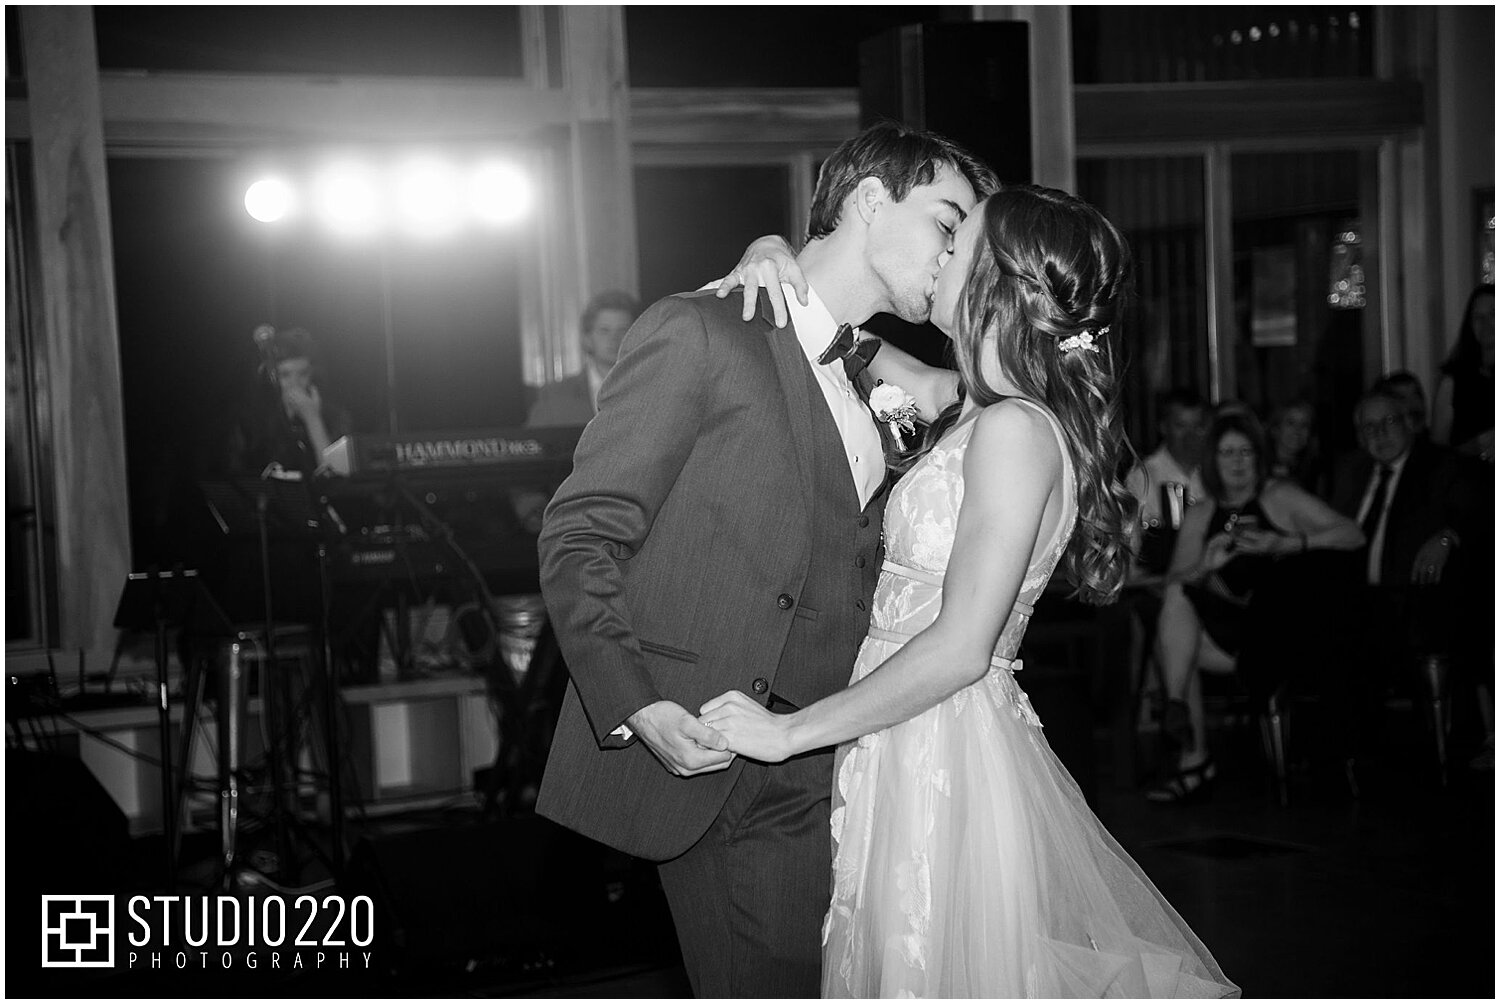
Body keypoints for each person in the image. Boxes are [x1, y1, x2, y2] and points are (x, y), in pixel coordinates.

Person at [697, 187, 1238, 997]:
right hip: (899, 730)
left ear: (1001, 281)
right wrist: (777, 255)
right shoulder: (973, 407)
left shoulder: (1016, 431)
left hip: (937, 744)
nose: (942, 255)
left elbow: (959, 647)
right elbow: (859, 346)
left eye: (961, 243)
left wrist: (787, 735)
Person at [534, 123, 997, 998]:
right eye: (946, 221)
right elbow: (580, 534)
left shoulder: (871, 368)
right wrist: (637, 704)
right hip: (723, 758)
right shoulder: (699, 331)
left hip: (850, 759)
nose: (952, 252)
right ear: (868, 199)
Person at [1148, 410, 1363, 802]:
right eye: (1227, 453)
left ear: (1259, 456)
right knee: (1179, 607)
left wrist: (1288, 544)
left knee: (1176, 648)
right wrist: (1206, 566)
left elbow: (1352, 534)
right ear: (1212, 460)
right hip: (1226, 632)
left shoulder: (1278, 496)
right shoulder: (1201, 513)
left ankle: (1189, 751)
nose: (1237, 462)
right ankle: (1180, 719)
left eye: (1245, 452)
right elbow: (1174, 583)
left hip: (1282, 631)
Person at [227, 326, 349, 478]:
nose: (295, 384)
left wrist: (313, 420)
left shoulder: (334, 418)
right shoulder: (251, 424)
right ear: (270, 379)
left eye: (303, 374)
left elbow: (339, 481)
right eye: (285, 375)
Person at [526, 290, 641, 428]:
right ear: (587, 338)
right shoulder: (554, 396)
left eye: (623, 330)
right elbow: (535, 446)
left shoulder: (653, 389)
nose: (614, 339)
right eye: (604, 331)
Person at [1432, 283, 1495, 461]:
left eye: (1493, 314)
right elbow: (1438, 450)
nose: (1486, 324)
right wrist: (1477, 446)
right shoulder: (1453, 381)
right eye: (1478, 317)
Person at [1266, 399, 1324, 494]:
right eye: (1291, 423)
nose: (1297, 431)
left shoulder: (1314, 470)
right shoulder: (1259, 465)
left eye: (1304, 425)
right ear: (1275, 429)